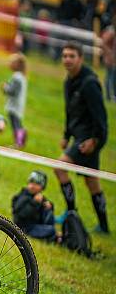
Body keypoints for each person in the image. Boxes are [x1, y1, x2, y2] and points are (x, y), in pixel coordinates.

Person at [54, 41, 109, 233]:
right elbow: (70, 112)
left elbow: (101, 118)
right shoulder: (69, 81)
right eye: (65, 56)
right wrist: (66, 135)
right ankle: (104, 226)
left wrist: (95, 141)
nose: (67, 60)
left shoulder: (90, 83)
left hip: (88, 140)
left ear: (80, 58)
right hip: (78, 137)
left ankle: (71, 214)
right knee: (92, 182)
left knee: (60, 168)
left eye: (72, 56)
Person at [12, 171, 61, 243]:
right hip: (25, 228)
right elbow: (21, 214)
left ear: (42, 187)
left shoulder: (39, 197)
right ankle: (54, 237)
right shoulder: (24, 196)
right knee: (51, 230)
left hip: (36, 225)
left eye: (37, 184)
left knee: (48, 214)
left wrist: (49, 206)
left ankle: (54, 237)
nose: (33, 186)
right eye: (31, 183)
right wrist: (34, 203)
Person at [1, 53, 28, 148]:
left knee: (16, 124)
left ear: (17, 65)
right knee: (17, 123)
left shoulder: (17, 77)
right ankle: (20, 139)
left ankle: (19, 142)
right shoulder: (21, 76)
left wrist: (5, 87)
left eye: (11, 62)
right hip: (17, 105)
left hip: (14, 106)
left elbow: (12, 91)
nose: (9, 64)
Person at [101, 22, 115, 102]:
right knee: (110, 77)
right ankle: (109, 96)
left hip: (111, 59)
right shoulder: (111, 31)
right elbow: (104, 43)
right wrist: (109, 54)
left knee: (111, 77)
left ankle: (110, 96)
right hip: (110, 59)